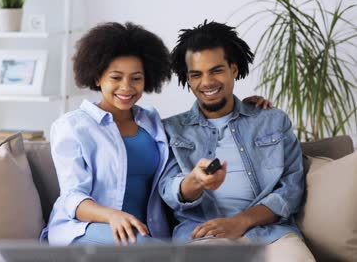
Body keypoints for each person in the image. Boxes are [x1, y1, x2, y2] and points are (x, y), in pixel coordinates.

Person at [42, 21, 271, 246]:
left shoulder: (151, 121)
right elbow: (73, 197)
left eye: (136, 78)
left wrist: (245, 108)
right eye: (116, 77)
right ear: (97, 77)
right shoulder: (72, 127)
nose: (127, 87)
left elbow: (194, 128)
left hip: (143, 233)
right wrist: (112, 216)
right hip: (86, 230)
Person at [159, 20, 315, 261]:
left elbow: (291, 188)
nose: (207, 82)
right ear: (187, 79)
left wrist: (241, 221)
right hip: (203, 234)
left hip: (270, 234)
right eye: (196, 75)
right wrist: (194, 182)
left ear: (233, 68)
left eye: (216, 70)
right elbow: (168, 189)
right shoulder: (171, 130)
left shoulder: (272, 120)